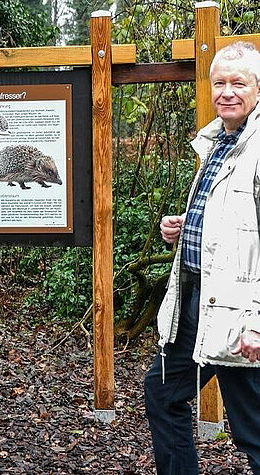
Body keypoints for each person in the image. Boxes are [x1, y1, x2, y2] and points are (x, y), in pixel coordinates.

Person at [145, 41, 260, 474]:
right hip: (198, 302)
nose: (227, 91)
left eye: (239, 83)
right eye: (220, 83)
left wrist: (257, 323)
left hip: (240, 316)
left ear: (259, 89)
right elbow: (235, 224)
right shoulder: (217, 141)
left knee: (253, 429)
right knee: (162, 393)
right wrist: (186, 227)